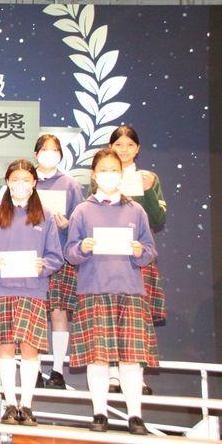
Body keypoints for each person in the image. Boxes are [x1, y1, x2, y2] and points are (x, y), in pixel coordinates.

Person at [65, 148, 158, 436]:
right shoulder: (82, 210)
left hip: (130, 291)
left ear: (121, 174)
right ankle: (99, 412)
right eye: (103, 170)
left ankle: (135, 416)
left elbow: (150, 250)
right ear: (94, 175)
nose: (109, 175)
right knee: (98, 357)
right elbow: (70, 253)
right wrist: (82, 248)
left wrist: (140, 251)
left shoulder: (136, 210)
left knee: (131, 357)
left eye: (114, 170)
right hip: (94, 290)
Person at [0, 159, 63, 426]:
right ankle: (10, 404)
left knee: (29, 349)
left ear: (34, 183)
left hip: (33, 290)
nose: (21, 184)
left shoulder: (46, 216)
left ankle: (26, 405)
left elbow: (56, 256)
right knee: (4, 347)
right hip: (2, 289)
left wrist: (43, 265)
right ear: (7, 182)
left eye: (26, 180)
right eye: (15, 180)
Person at [106, 125, 166, 395]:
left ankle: (136, 376)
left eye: (130, 145)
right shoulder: (102, 176)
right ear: (110, 148)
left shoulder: (148, 178)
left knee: (137, 318)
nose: (124, 150)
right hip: (107, 257)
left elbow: (158, 219)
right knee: (108, 315)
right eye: (119, 145)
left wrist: (149, 191)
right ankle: (112, 374)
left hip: (137, 256)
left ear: (138, 149)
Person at [33, 134, 84, 389]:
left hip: (59, 256)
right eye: (44, 149)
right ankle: (34, 369)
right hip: (31, 257)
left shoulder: (70, 184)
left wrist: (67, 225)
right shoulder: (25, 180)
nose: (49, 154)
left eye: (54, 150)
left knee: (58, 311)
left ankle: (57, 370)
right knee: (33, 312)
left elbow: (82, 224)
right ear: (35, 154)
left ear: (60, 155)